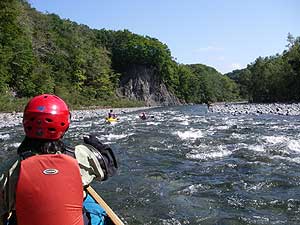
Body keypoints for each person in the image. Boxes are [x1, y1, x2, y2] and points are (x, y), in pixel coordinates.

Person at [0, 94, 118, 225]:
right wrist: (99, 146)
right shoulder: (79, 156)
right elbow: (109, 168)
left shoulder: (10, 168)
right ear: (65, 126)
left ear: (25, 122)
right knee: (92, 206)